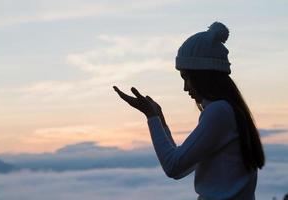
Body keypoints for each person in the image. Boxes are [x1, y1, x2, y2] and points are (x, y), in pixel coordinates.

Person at [113, 21, 265, 200]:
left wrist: (151, 116)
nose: (186, 88)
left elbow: (173, 167)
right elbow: (179, 167)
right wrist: (159, 119)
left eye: (187, 78)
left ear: (202, 76)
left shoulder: (219, 112)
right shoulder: (229, 111)